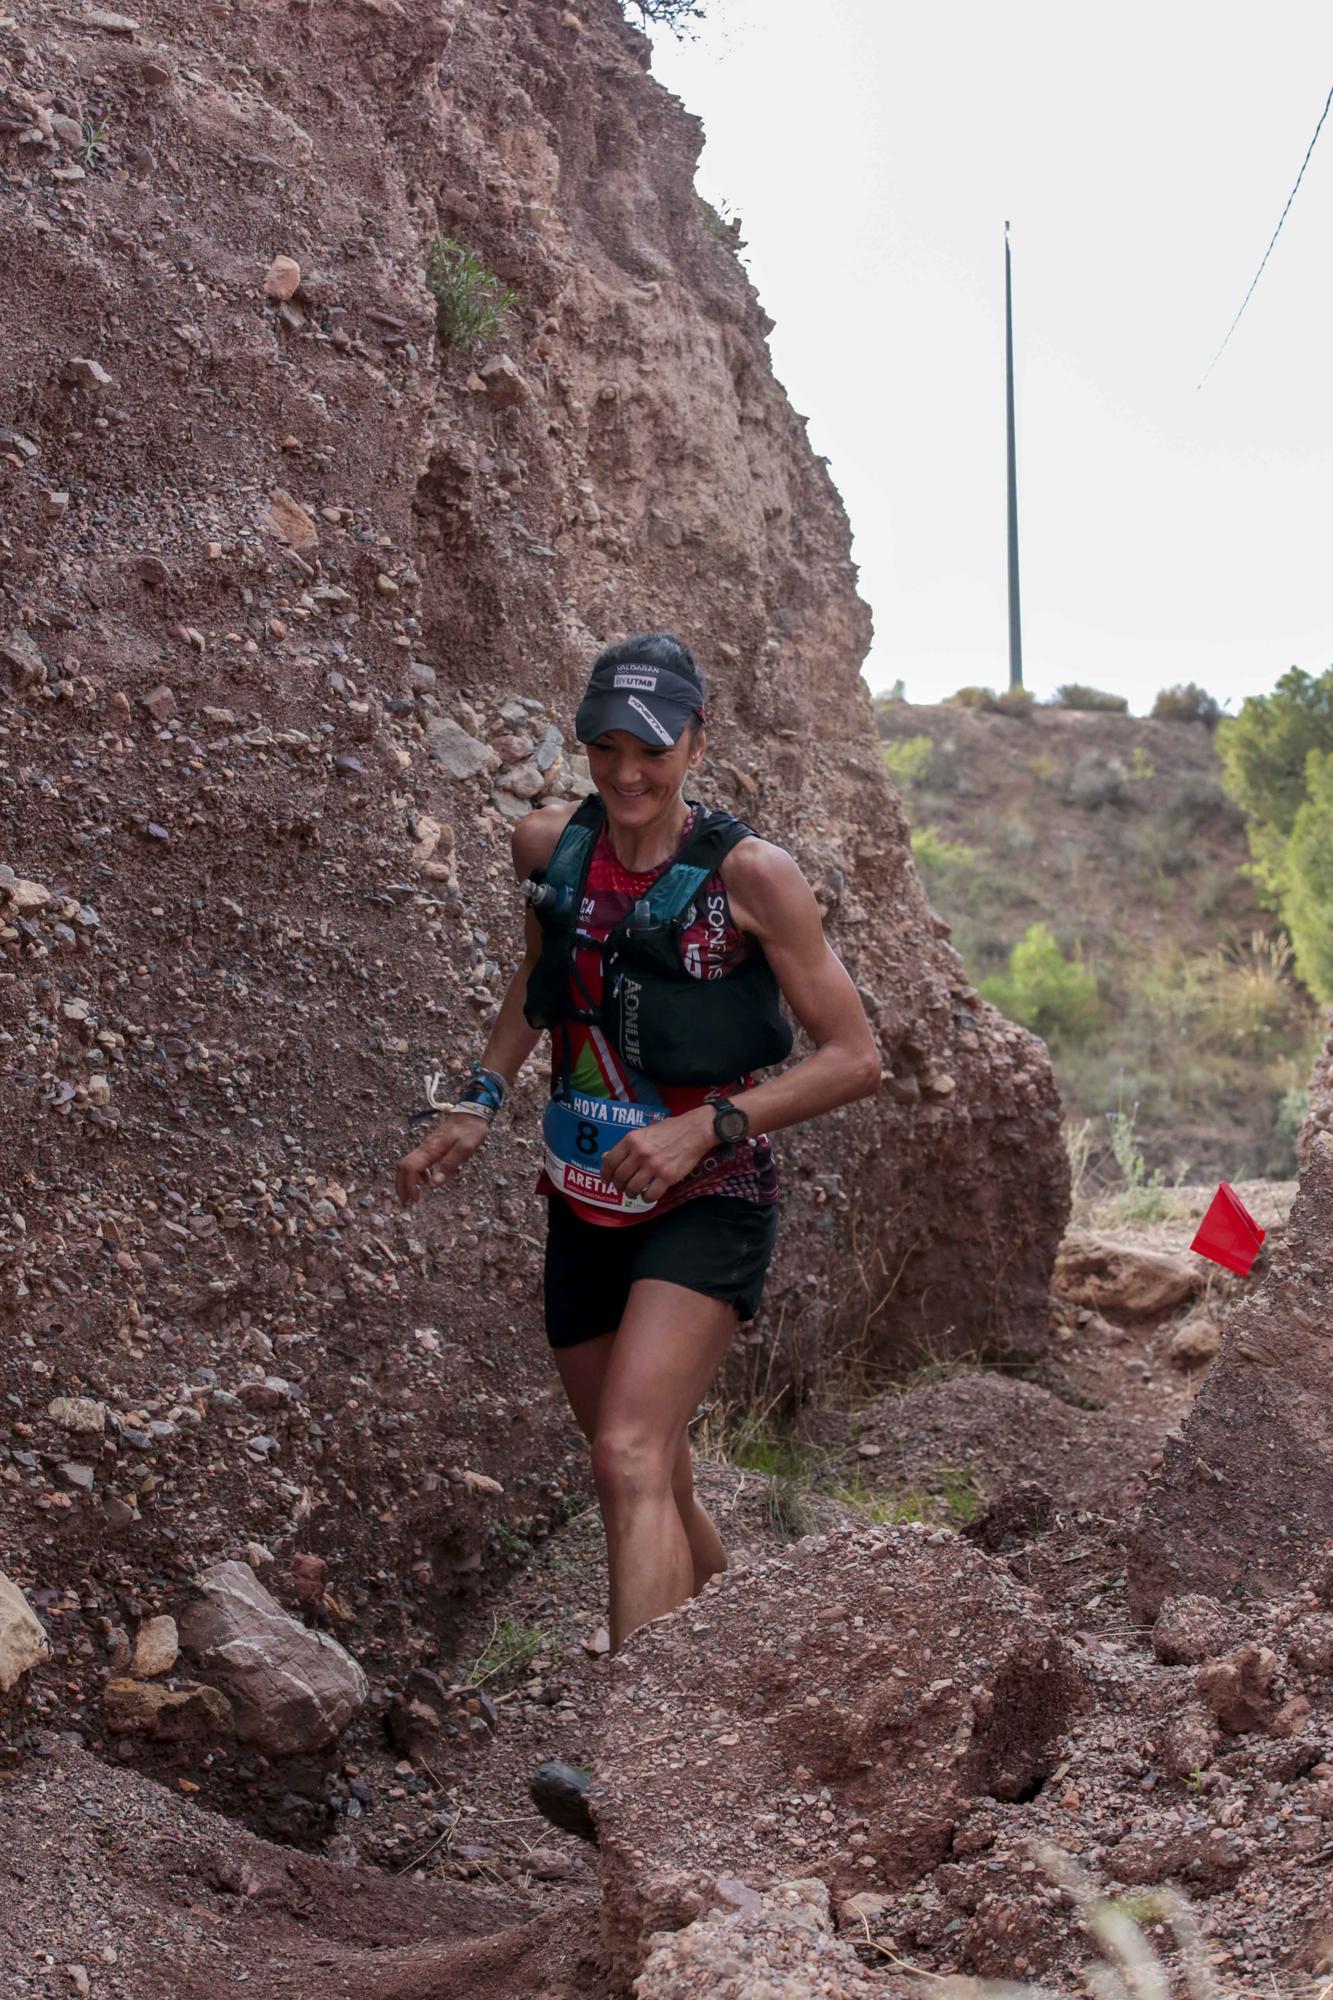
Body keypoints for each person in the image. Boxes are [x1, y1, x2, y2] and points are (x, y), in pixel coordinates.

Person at [396, 633, 880, 1824]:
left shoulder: (752, 877)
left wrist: (705, 1126)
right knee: (647, 1466)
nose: (624, 772)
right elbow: (535, 986)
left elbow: (857, 1057)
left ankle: (648, 1772)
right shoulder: (547, 850)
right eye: (604, 747)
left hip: (706, 1193)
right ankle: (755, 1681)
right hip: (583, 1197)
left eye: (648, 748)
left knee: (624, 1451)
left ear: (695, 743)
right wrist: (476, 1096)